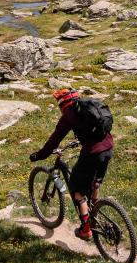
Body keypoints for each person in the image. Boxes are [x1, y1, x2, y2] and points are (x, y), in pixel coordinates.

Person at [30, 88, 114, 240]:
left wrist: (39, 155)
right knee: (95, 182)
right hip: (108, 147)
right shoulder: (88, 106)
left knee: (77, 190)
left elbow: (54, 140)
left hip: (93, 152)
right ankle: (94, 211)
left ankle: (86, 229)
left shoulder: (69, 114)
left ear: (62, 104)